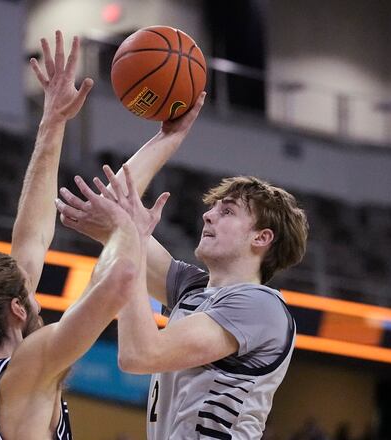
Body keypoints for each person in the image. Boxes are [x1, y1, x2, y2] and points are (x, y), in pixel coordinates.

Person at [0, 31, 165, 440]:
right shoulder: (28, 367)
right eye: (30, 295)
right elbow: (118, 281)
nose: (38, 302)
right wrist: (127, 228)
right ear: (16, 311)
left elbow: (32, 238)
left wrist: (52, 122)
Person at [56, 99, 308, 439]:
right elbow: (116, 211)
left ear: (261, 238)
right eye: (213, 208)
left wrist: (129, 238)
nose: (208, 215)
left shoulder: (259, 306)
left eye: (228, 211)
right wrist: (167, 138)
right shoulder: (193, 289)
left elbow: (140, 355)